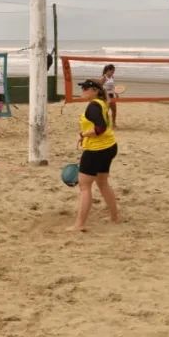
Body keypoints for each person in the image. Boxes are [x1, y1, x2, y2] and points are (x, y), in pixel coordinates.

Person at [70, 79, 120, 233]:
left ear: (96, 90)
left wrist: (83, 134)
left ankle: (80, 224)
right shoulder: (102, 102)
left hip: (96, 150)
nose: (83, 90)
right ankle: (115, 217)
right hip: (109, 146)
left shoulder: (93, 106)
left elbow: (100, 128)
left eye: (86, 88)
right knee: (103, 183)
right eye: (83, 87)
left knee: (84, 186)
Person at [101, 64, 118, 128]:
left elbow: (113, 86)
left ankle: (113, 123)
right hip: (105, 96)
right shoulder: (104, 77)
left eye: (114, 71)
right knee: (106, 111)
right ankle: (107, 123)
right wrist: (105, 93)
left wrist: (116, 93)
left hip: (111, 95)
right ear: (108, 70)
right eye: (112, 71)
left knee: (114, 110)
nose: (113, 72)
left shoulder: (112, 77)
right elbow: (100, 87)